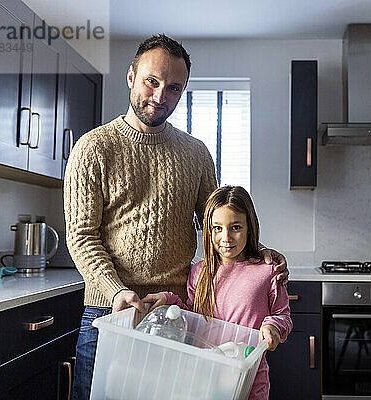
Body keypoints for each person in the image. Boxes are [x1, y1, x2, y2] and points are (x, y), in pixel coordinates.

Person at [64, 34, 288, 400]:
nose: (160, 96)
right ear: (131, 76)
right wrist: (117, 290)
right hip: (110, 312)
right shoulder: (93, 148)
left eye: (173, 88)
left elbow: (215, 222)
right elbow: (82, 235)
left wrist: (257, 250)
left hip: (176, 316)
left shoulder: (196, 153)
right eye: (152, 81)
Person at [144, 185, 292, 400]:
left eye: (236, 227)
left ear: (250, 228)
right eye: (217, 228)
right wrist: (169, 300)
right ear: (208, 230)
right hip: (202, 376)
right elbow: (194, 319)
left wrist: (273, 326)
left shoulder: (268, 271)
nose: (226, 238)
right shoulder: (199, 272)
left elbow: (283, 316)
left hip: (249, 379)